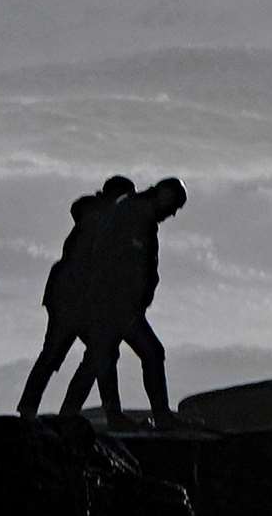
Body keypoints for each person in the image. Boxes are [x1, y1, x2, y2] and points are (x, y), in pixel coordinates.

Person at [56, 177, 188, 428]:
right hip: (114, 305)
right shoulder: (132, 214)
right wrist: (121, 301)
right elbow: (110, 261)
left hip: (120, 305)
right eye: (173, 206)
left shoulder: (141, 216)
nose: (172, 214)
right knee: (148, 352)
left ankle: (76, 415)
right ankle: (157, 415)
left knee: (98, 358)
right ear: (163, 195)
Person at [14, 175, 135, 419]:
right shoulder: (100, 220)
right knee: (69, 354)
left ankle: (52, 409)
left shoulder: (96, 216)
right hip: (72, 300)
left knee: (85, 354)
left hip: (71, 297)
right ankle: (59, 410)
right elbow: (92, 266)